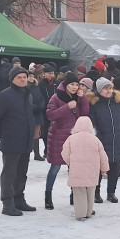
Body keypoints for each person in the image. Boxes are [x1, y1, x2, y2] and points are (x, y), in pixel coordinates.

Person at [0, 66, 38, 216]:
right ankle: (7, 203)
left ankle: (19, 199)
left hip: (26, 141)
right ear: (12, 79)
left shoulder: (27, 94)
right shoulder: (5, 96)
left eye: (25, 76)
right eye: (19, 77)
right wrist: (3, 134)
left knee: (22, 172)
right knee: (9, 173)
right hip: (11, 141)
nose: (23, 79)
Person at [45, 74, 90, 210]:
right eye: (72, 85)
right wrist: (67, 107)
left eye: (76, 85)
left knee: (74, 170)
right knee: (55, 168)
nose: (74, 87)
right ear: (65, 85)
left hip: (74, 138)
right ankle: (48, 196)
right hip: (58, 137)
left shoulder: (78, 97)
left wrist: (83, 98)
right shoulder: (56, 97)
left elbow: (84, 114)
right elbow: (50, 115)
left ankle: (74, 195)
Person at [90, 78, 120, 203]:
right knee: (98, 169)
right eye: (105, 88)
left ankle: (111, 192)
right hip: (102, 143)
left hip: (118, 141)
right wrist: (99, 140)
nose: (108, 91)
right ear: (99, 90)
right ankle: (96, 193)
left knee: (115, 169)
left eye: (110, 88)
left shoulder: (117, 103)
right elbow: (93, 124)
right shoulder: (94, 105)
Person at [62, 117, 108, 221]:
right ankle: (88, 212)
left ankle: (80, 213)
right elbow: (103, 156)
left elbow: (64, 153)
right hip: (92, 171)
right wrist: (104, 169)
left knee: (79, 192)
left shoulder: (71, 139)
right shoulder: (95, 139)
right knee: (91, 192)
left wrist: (70, 162)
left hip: (77, 171)